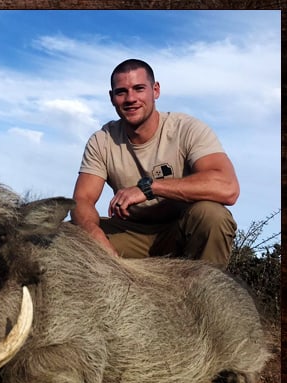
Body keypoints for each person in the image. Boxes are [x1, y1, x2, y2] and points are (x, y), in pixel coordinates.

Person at [71, 59, 239, 269]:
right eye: (121, 92)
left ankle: (208, 298)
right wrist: (96, 237)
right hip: (130, 233)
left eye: (139, 89)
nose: (130, 98)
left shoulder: (187, 129)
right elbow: (82, 200)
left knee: (213, 216)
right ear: (112, 98)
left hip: (179, 230)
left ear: (155, 90)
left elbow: (228, 187)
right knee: (66, 236)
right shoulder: (102, 140)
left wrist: (150, 188)